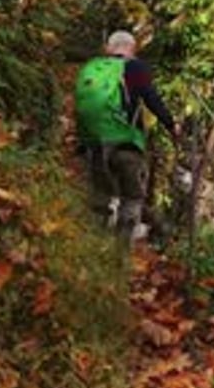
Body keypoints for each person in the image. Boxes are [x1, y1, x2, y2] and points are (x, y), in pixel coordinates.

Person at [75, 30, 179, 244]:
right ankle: (120, 254)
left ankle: (93, 247)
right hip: (127, 143)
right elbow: (151, 99)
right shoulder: (135, 67)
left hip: (95, 143)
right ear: (132, 49)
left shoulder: (92, 69)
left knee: (99, 196)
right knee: (132, 197)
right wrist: (170, 124)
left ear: (108, 48)